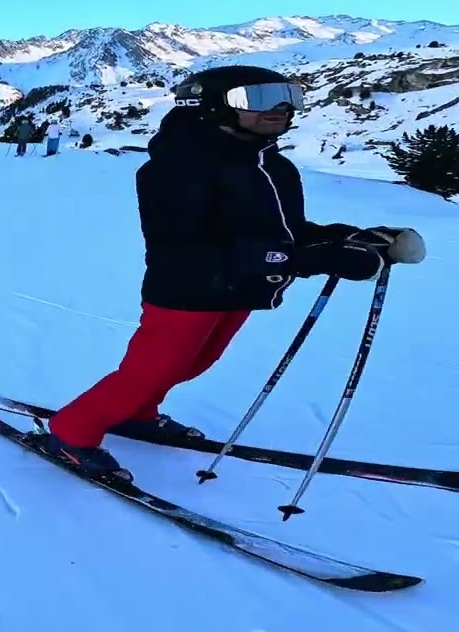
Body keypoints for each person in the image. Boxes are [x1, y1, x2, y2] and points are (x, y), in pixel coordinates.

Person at [34, 64, 427, 480]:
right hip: (187, 291)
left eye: (288, 96)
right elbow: (193, 248)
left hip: (240, 290)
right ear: (210, 106)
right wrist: (320, 259)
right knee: (150, 370)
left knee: (193, 365)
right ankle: (71, 432)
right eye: (255, 99)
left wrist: (353, 238)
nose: (279, 108)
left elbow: (285, 233)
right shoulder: (175, 168)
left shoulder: (270, 165)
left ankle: (139, 414)